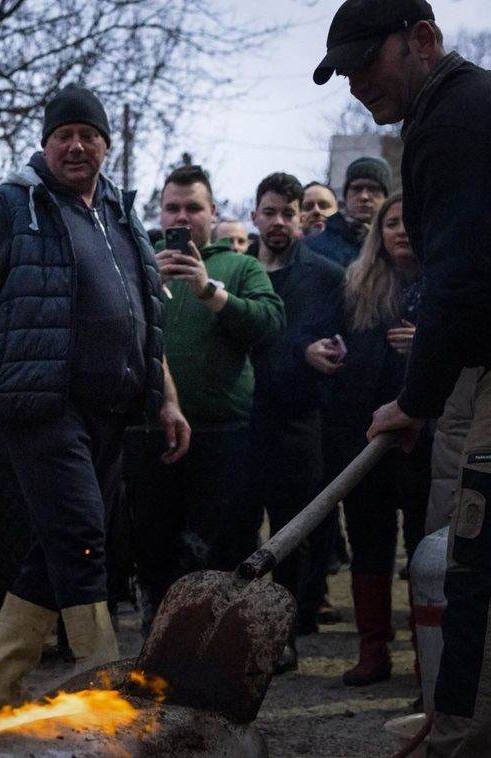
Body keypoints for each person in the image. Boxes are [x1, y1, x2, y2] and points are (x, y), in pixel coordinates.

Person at [0, 85, 189, 704]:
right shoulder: (14, 206)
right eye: (65, 135)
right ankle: (106, 687)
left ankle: (0, 685)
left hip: (114, 408)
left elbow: (146, 314)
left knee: (57, 541)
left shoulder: (119, 211)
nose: (77, 145)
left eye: (89, 134)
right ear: (45, 143)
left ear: (106, 144)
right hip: (40, 405)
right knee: (85, 537)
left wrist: (165, 397)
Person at [313, 0, 491, 750]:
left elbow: (459, 279)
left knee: (476, 563)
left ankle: (460, 734)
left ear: (420, 40)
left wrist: (414, 400)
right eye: (345, 72)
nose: (356, 83)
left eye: (366, 63)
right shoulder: (454, 114)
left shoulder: (454, 120)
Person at [130, 165, 284, 632]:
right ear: (159, 213)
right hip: (147, 432)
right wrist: (145, 289)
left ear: (213, 213)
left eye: (193, 207)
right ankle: (160, 641)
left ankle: (227, 638)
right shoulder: (139, 263)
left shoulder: (239, 266)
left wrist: (208, 290)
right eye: (172, 207)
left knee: (226, 545)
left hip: (223, 434)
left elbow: (269, 325)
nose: (183, 217)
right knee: (153, 546)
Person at [321, 193, 430, 686]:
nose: (401, 230)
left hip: (427, 438)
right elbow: (323, 340)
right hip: (364, 438)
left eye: (410, 220)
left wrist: (426, 342)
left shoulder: (441, 285)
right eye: (391, 222)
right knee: (369, 542)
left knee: (427, 546)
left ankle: (430, 657)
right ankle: (373, 650)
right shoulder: (355, 287)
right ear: (378, 234)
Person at [243, 172, 345, 673]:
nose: (279, 222)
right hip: (241, 421)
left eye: (289, 212)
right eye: (270, 212)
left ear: (301, 215)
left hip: (298, 423)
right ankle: (236, 634)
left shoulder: (326, 276)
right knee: (236, 533)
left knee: (292, 535)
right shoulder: (238, 272)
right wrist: (295, 349)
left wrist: (312, 354)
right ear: (255, 214)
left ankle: (285, 634)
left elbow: (326, 344)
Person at [303, 157, 391, 267]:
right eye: (357, 189)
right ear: (346, 195)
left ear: (386, 197)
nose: (364, 197)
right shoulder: (312, 247)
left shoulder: (396, 245)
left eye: (373, 189)